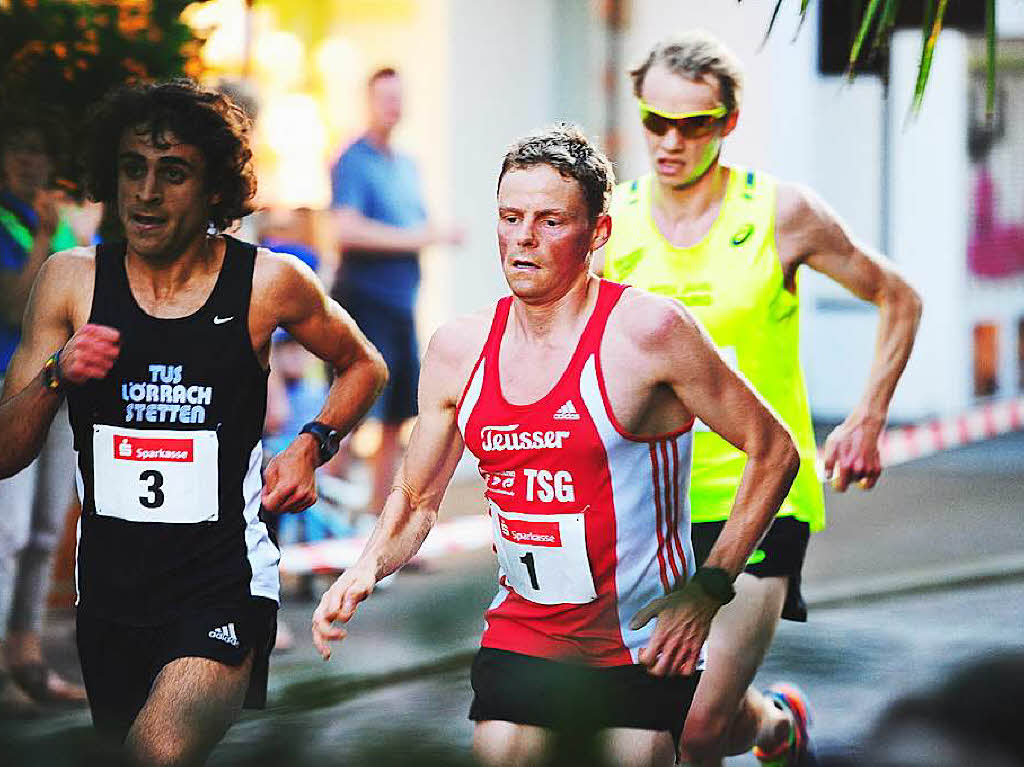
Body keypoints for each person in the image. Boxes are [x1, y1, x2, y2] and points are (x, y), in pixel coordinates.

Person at [313, 124, 801, 767]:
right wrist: (365, 567)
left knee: (703, 732)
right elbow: (415, 493)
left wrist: (709, 589)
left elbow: (774, 449)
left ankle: (779, 729)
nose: (523, 237)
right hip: (524, 630)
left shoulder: (648, 332)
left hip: (640, 637)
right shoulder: (459, 349)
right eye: (510, 217)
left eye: (549, 221)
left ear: (597, 234)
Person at [0, 79, 386, 764]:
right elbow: (5, 452)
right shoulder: (71, 281)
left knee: (158, 749)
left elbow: (365, 365)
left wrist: (311, 442)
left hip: (224, 583)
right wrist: (57, 374)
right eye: (131, 168)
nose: (145, 192)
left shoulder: (267, 283)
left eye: (171, 172)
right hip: (110, 595)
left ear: (214, 188)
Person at [599, 32, 923, 767]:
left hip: (760, 491)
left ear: (728, 123)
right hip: (647, 505)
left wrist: (868, 416)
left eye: (695, 124)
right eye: (656, 121)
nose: (671, 141)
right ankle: (767, 722)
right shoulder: (612, 224)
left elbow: (899, 298)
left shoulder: (780, 213)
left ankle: (776, 723)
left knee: (703, 723)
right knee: (659, 725)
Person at [329, 66, 462, 515]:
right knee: (349, 416)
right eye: (385, 97)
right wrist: (422, 238)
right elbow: (345, 229)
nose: (393, 106)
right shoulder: (353, 159)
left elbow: (416, 224)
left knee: (395, 421)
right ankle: (320, 521)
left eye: (399, 97)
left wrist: (432, 233)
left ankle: (379, 524)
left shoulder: (406, 164)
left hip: (402, 305)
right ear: (368, 102)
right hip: (364, 302)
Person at [0, 106, 87, 715]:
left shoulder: (60, 228)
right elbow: (13, 303)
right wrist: (40, 236)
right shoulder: (12, 224)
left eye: (40, 151)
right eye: (19, 149)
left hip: (61, 389)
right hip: (10, 390)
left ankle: (25, 658)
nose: (32, 162)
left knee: (43, 531)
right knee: (4, 533)